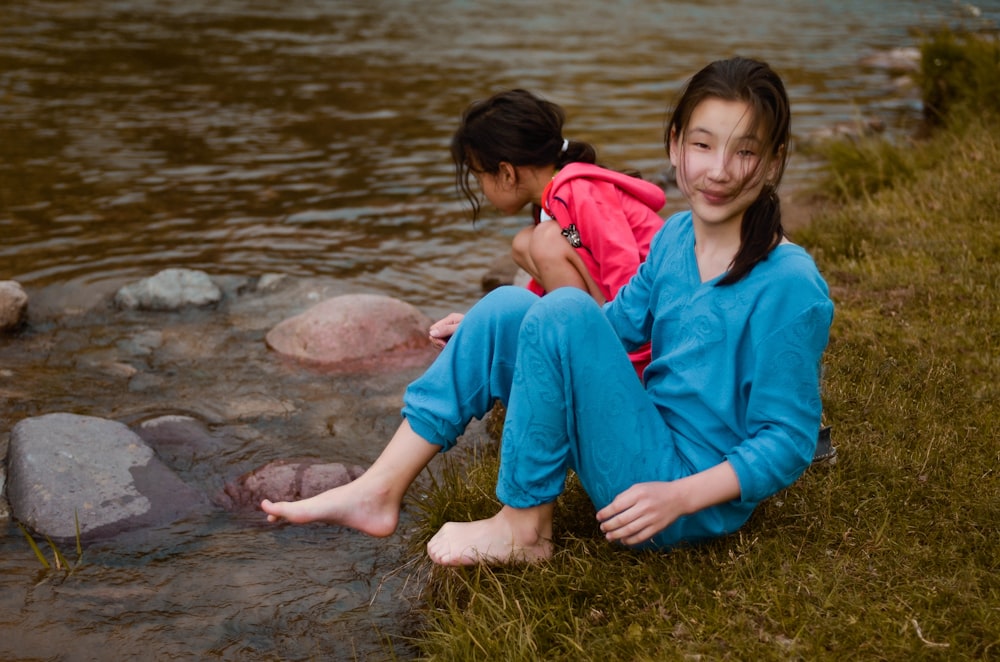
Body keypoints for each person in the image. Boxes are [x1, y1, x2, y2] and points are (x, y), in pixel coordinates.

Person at [262, 56, 834, 567]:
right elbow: (616, 325)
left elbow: (787, 439)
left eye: (746, 151)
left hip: (678, 499)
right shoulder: (677, 237)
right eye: (703, 144)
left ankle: (523, 529)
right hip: (643, 438)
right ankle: (379, 489)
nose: (719, 170)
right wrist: (508, 332)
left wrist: (679, 497)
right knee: (511, 304)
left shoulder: (789, 283)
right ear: (675, 145)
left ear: (775, 162)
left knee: (558, 309)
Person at [430, 88, 664, 374]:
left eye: (480, 178)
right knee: (525, 242)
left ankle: (596, 352)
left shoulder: (578, 190)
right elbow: (545, 293)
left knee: (544, 240)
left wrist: (634, 353)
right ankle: (577, 341)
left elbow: (622, 263)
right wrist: (493, 325)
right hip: (634, 317)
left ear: (506, 172)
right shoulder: (555, 199)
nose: (482, 190)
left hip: (649, 325)